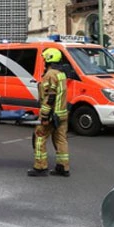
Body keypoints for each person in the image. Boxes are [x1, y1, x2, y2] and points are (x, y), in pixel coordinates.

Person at [28, 47, 70, 177]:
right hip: (62, 113)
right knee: (61, 140)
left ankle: (40, 167)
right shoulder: (61, 74)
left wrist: (45, 115)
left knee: (40, 137)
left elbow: (50, 96)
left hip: (52, 114)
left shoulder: (50, 75)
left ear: (48, 59)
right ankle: (63, 167)